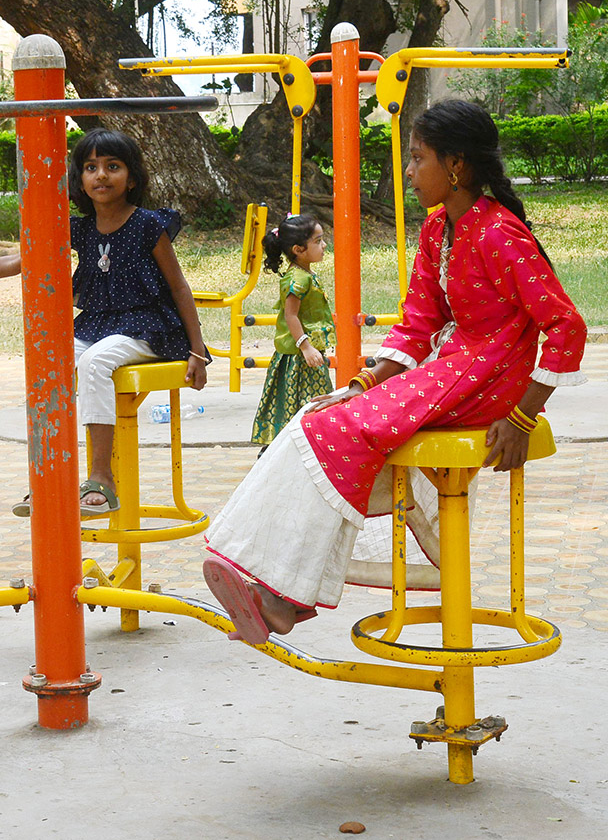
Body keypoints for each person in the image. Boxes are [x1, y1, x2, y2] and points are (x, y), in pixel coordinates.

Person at [201, 99, 587, 645]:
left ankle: (281, 594)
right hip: (452, 370)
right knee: (315, 416)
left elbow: (567, 325)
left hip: (489, 379)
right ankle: (270, 586)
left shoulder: (500, 234)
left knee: (333, 432)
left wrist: (523, 416)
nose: (408, 171)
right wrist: (360, 383)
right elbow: (416, 325)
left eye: (417, 158)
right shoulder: (437, 232)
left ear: (456, 166)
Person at [0, 128, 210, 516]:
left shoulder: (148, 225)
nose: (101, 175)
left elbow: (179, 287)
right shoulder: (78, 227)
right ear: (78, 179)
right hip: (98, 324)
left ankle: (102, 479)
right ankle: (53, 476)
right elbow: (19, 261)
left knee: (95, 362)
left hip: (147, 328)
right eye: (90, 167)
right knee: (50, 359)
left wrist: (197, 352)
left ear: (131, 178)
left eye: (112, 167)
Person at [250, 214, 335, 454]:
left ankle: (304, 445)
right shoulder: (297, 278)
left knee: (304, 399)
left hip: (305, 353)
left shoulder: (304, 274)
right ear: (298, 249)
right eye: (318, 241)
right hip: (298, 356)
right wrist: (305, 346)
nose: (324, 245)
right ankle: (287, 448)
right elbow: (291, 316)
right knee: (304, 400)